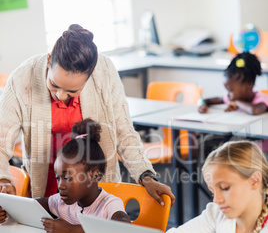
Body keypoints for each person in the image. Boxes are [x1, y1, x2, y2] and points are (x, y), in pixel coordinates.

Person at [0, 24, 175, 207]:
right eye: (54, 84)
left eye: (72, 91)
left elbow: (124, 133)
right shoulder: (22, 79)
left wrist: (145, 175)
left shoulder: (105, 71)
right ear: (49, 60)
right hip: (45, 194)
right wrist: (3, 180)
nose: (60, 95)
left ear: (90, 76)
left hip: (96, 199)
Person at [198, 52, 268, 115]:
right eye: (227, 90)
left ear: (249, 85)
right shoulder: (229, 98)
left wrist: (236, 102)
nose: (227, 94)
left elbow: (253, 110)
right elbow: (206, 101)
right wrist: (203, 105)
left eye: (231, 90)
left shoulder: (262, 100)